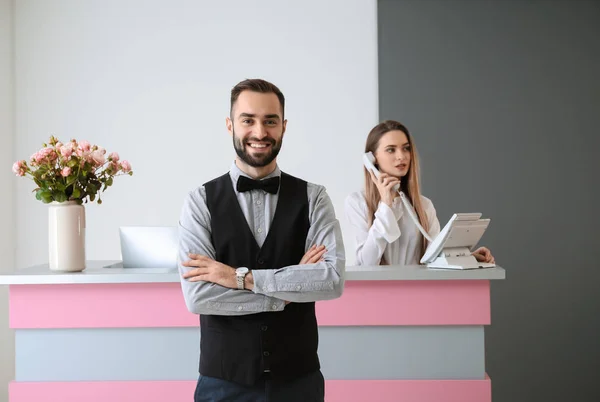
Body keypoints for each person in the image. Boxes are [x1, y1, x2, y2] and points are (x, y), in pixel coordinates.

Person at [178, 78, 345, 402]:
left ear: (283, 127)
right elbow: (198, 296)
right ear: (230, 125)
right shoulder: (199, 200)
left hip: (299, 380)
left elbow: (332, 280)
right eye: (248, 120)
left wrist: (239, 278)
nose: (259, 131)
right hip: (222, 382)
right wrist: (286, 292)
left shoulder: (314, 198)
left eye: (270, 121)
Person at [345, 119, 494, 266]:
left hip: (417, 289)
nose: (401, 156)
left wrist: (467, 257)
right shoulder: (357, 202)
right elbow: (366, 263)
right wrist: (386, 205)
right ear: (372, 158)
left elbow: (434, 256)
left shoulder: (424, 205)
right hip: (377, 290)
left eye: (406, 148)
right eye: (391, 149)